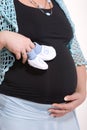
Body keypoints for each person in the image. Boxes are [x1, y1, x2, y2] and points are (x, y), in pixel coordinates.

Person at [0, 0, 87, 130]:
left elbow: (73, 47)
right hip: (19, 111)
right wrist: (3, 37)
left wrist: (82, 91)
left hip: (64, 114)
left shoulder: (57, 3)